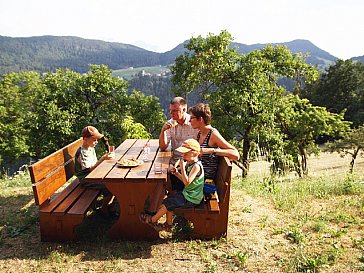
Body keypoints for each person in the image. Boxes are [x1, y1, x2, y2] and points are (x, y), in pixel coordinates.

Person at [139, 139, 204, 232]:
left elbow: (187, 182)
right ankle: (168, 225)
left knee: (168, 203)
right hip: (188, 194)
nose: (183, 155)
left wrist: (182, 167)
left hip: (192, 198)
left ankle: (152, 220)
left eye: (186, 153)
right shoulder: (190, 163)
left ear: (195, 153)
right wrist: (177, 173)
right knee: (170, 200)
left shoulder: (196, 166)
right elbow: (185, 179)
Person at [188, 103, 240, 182]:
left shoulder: (213, 134)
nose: (189, 120)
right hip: (197, 176)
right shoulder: (199, 133)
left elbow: (236, 155)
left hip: (204, 181)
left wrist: (212, 151)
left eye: (192, 118)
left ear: (200, 119)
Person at [159, 97, 198, 191]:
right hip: (175, 163)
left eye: (175, 111)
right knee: (157, 173)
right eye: (170, 111)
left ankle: (170, 199)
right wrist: (163, 130)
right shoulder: (170, 123)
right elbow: (163, 147)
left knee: (161, 178)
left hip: (189, 164)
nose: (171, 114)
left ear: (184, 110)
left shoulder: (193, 123)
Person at [75, 125, 114, 216]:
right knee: (110, 188)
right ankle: (103, 209)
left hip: (93, 175)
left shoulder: (91, 149)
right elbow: (90, 169)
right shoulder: (82, 153)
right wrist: (103, 159)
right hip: (86, 179)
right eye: (94, 139)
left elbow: (94, 164)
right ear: (85, 139)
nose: (96, 142)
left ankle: (108, 205)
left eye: (97, 139)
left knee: (113, 183)